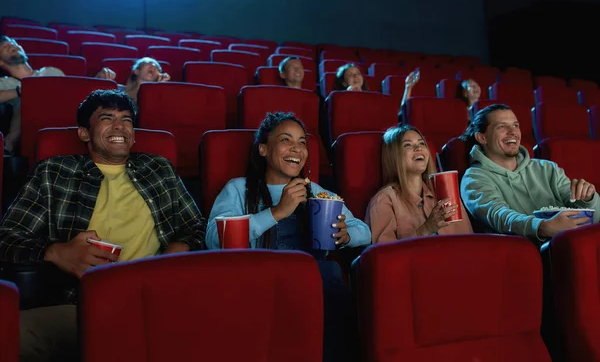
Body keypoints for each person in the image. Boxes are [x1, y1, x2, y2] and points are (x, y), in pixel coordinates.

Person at [0, 89, 206, 361]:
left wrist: (182, 246)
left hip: (158, 303)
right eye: (107, 119)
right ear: (84, 133)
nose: (120, 126)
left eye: (127, 120)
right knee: (10, 335)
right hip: (80, 306)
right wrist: (55, 252)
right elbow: (6, 238)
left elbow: (198, 227)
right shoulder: (54, 172)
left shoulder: (159, 169)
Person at [206, 111, 370, 362]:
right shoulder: (238, 188)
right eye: (286, 140)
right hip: (257, 285)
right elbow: (213, 240)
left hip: (315, 284)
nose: (297, 149)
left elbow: (365, 232)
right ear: (263, 149)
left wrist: (345, 235)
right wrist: (276, 212)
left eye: (302, 142)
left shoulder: (315, 190)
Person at [460, 104, 600, 243]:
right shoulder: (474, 178)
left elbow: (592, 218)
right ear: (482, 138)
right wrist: (542, 227)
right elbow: (498, 215)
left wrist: (588, 199)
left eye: (515, 125)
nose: (513, 132)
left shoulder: (547, 168)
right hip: (521, 256)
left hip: (572, 246)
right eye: (501, 127)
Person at [0, 36, 116, 154]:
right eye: (5, 46)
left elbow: (72, 95)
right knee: (27, 100)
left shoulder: (50, 71)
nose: (12, 46)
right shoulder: (4, 82)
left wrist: (98, 81)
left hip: (66, 120)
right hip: (31, 129)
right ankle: (10, 143)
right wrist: (24, 90)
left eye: (14, 43)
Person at [365, 125, 472, 243]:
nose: (418, 148)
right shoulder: (384, 199)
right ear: (394, 156)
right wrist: (426, 229)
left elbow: (469, 244)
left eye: (422, 143)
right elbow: (383, 256)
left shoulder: (447, 192)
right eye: (408, 145)